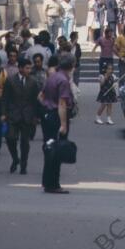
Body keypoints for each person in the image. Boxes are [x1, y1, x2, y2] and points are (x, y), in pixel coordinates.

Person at [40, 54, 75, 194]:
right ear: (72, 66)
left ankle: (48, 181)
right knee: (57, 151)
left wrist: (46, 109)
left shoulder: (52, 77)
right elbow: (62, 103)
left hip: (48, 115)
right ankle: (53, 184)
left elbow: (40, 96)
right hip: (56, 116)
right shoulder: (63, 80)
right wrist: (63, 124)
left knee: (49, 149)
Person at [1, 56, 38, 175]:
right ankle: (15, 158)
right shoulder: (11, 80)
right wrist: (3, 113)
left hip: (27, 115)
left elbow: (35, 101)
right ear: (20, 68)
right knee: (10, 138)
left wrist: (35, 116)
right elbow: (5, 98)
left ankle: (23, 165)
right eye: (27, 68)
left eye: (30, 68)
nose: (29, 70)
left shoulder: (33, 82)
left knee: (25, 142)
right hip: (13, 114)